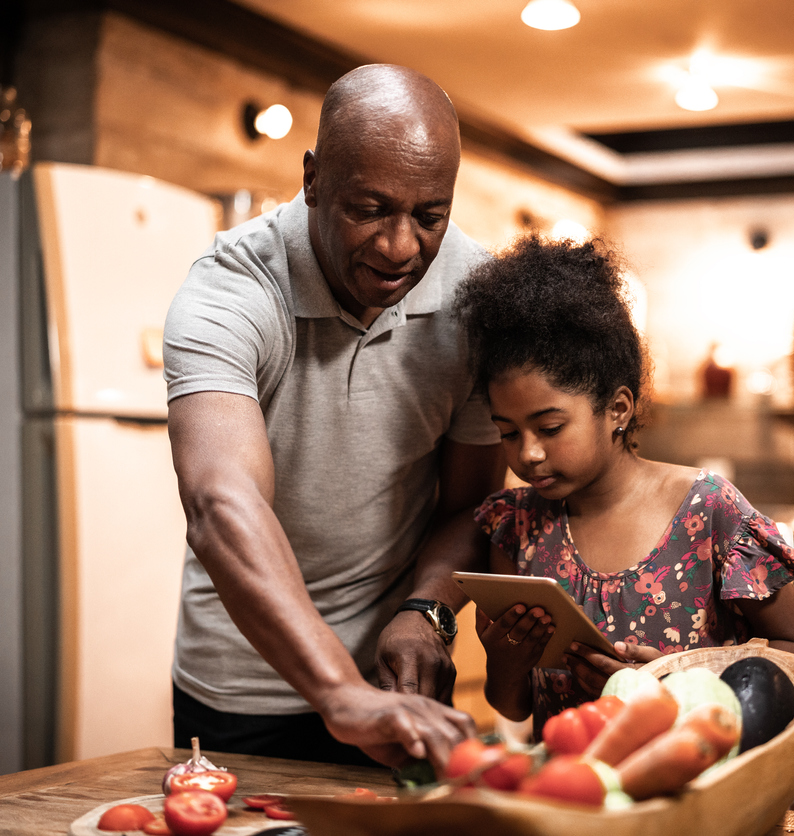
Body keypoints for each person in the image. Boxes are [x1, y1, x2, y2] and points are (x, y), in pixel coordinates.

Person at [162, 64, 504, 769]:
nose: (399, 247)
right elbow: (221, 502)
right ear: (313, 179)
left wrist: (426, 612)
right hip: (242, 686)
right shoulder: (230, 288)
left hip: (394, 678)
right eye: (369, 208)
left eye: (428, 216)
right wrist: (336, 691)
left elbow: (472, 502)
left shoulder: (477, 296)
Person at [452, 235, 794, 738]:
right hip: (575, 795)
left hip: (693, 786)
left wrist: (671, 683)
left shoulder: (708, 511)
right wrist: (506, 662)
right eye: (507, 433)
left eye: (551, 427)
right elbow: (513, 707)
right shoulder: (515, 526)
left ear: (618, 410)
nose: (529, 453)